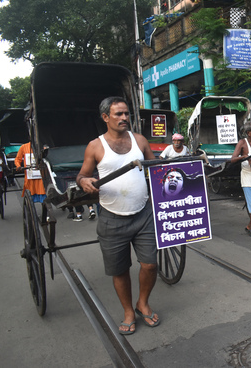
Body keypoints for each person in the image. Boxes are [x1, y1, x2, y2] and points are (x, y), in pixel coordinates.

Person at [76, 96, 159, 336]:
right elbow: (82, 175)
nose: (124, 118)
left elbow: (155, 169)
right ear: (105, 118)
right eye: (118, 114)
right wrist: (85, 181)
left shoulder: (140, 140)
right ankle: (128, 312)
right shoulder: (95, 146)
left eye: (126, 113)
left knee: (151, 264)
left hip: (144, 215)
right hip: (112, 218)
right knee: (120, 270)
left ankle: (142, 303)